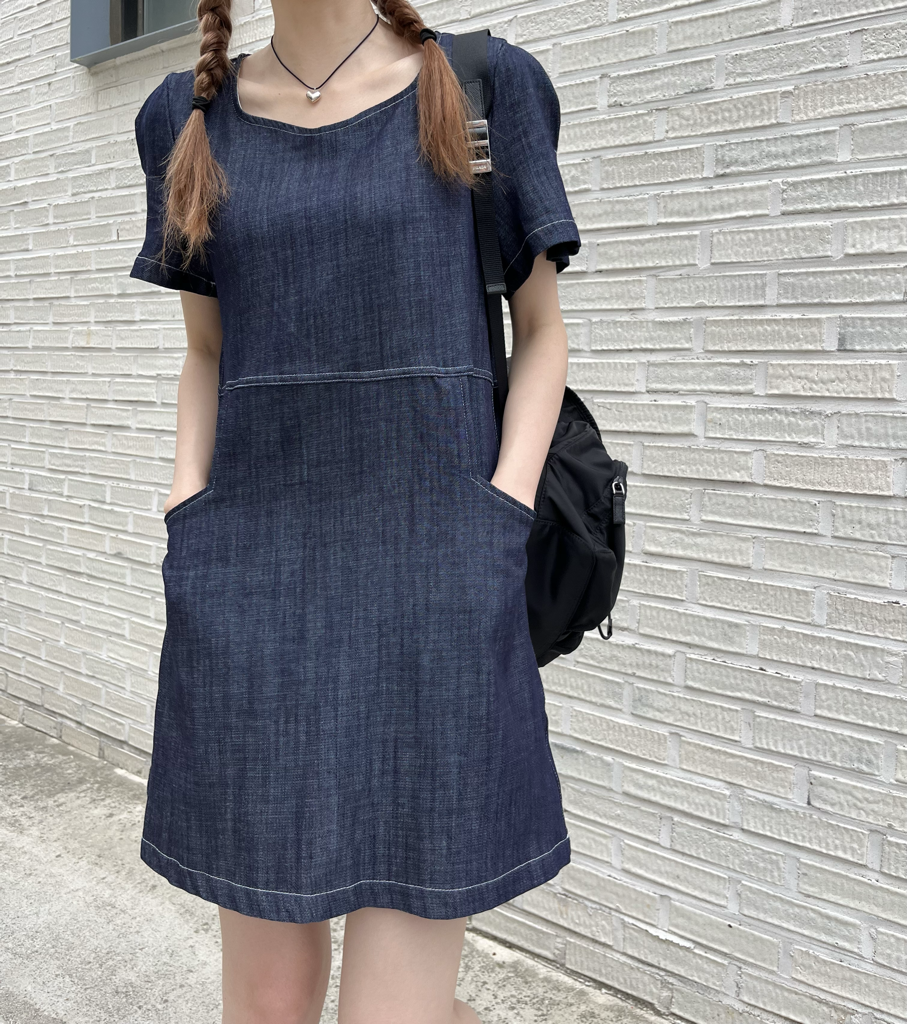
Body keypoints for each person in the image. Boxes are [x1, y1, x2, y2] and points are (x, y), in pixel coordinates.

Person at [129, 0, 581, 1020]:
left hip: (437, 582)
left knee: (392, 1012)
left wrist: (498, 517)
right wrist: (187, 506)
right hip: (249, 586)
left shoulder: (480, 85)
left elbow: (541, 330)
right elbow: (207, 349)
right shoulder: (185, 117)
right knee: (268, 1008)